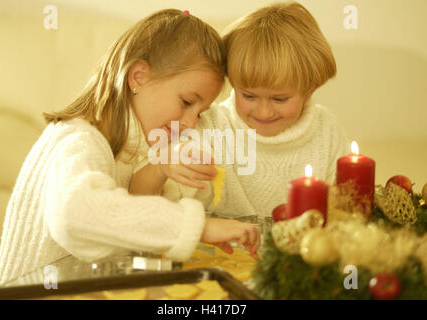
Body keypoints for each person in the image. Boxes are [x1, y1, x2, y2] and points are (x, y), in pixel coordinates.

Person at [0, 9, 261, 289]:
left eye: (200, 112)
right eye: (186, 102)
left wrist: (160, 167)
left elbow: (128, 218)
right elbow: (76, 214)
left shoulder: (132, 145)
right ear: (139, 77)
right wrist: (199, 228)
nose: (191, 123)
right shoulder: (78, 138)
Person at [130, 2, 349, 223]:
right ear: (233, 83)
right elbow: (138, 202)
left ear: (309, 89)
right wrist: (162, 166)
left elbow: (345, 212)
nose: (264, 111)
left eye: (280, 99)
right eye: (249, 96)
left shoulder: (326, 131)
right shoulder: (210, 127)